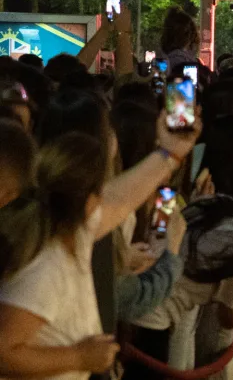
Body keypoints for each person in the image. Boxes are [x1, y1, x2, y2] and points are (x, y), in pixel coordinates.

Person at [0, 113, 200, 380]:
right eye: (100, 185)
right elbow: (3, 351)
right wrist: (79, 357)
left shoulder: (70, 234)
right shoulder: (45, 266)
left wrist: (170, 154)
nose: (106, 193)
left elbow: (118, 200)